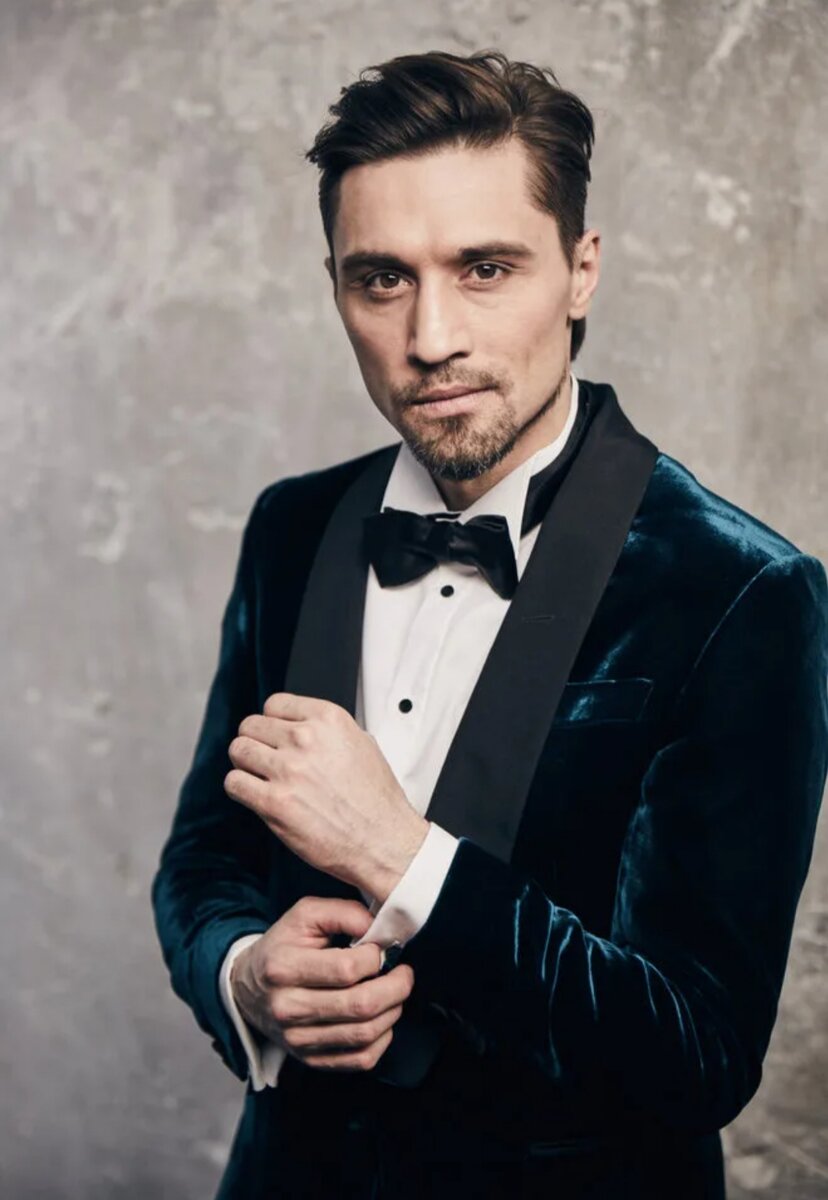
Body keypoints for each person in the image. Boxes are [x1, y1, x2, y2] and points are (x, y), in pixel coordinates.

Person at [151, 49, 828, 1200]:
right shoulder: (291, 528)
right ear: (334, 286)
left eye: (484, 268)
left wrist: (400, 856)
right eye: (381, 279)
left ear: (580, 271)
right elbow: (205, 857)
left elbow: (699, 1053)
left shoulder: (743, 591)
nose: (431, 338)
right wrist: (244, 972)